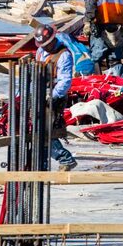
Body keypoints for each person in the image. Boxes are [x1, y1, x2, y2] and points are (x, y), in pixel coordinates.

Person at [34, 24, 94, 171]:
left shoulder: (63, 55)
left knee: (47, 131)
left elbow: (65, 81)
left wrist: (51, 96)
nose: (45, 47)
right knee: (37, 129)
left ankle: (65, 158)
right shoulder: (41, 51)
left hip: (54, 98)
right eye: (43, 45)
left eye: (47, 44)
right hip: (40, 94)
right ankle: (42, 165)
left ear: (53, 40)